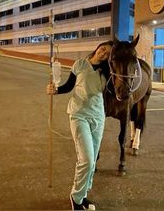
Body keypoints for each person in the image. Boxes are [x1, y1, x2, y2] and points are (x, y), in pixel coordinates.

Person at [46, 40, 113, 210]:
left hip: (98, 116)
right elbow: (69, 86)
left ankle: (83, 195)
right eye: (103, 49)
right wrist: (55, 90)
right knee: (87, 159)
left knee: (93, 159)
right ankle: (76, 198)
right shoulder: (80, 64)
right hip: (79, 115)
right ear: (97, 47)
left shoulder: (108, 71)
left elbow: (115, 91)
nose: (103, 53)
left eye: (107, 53)